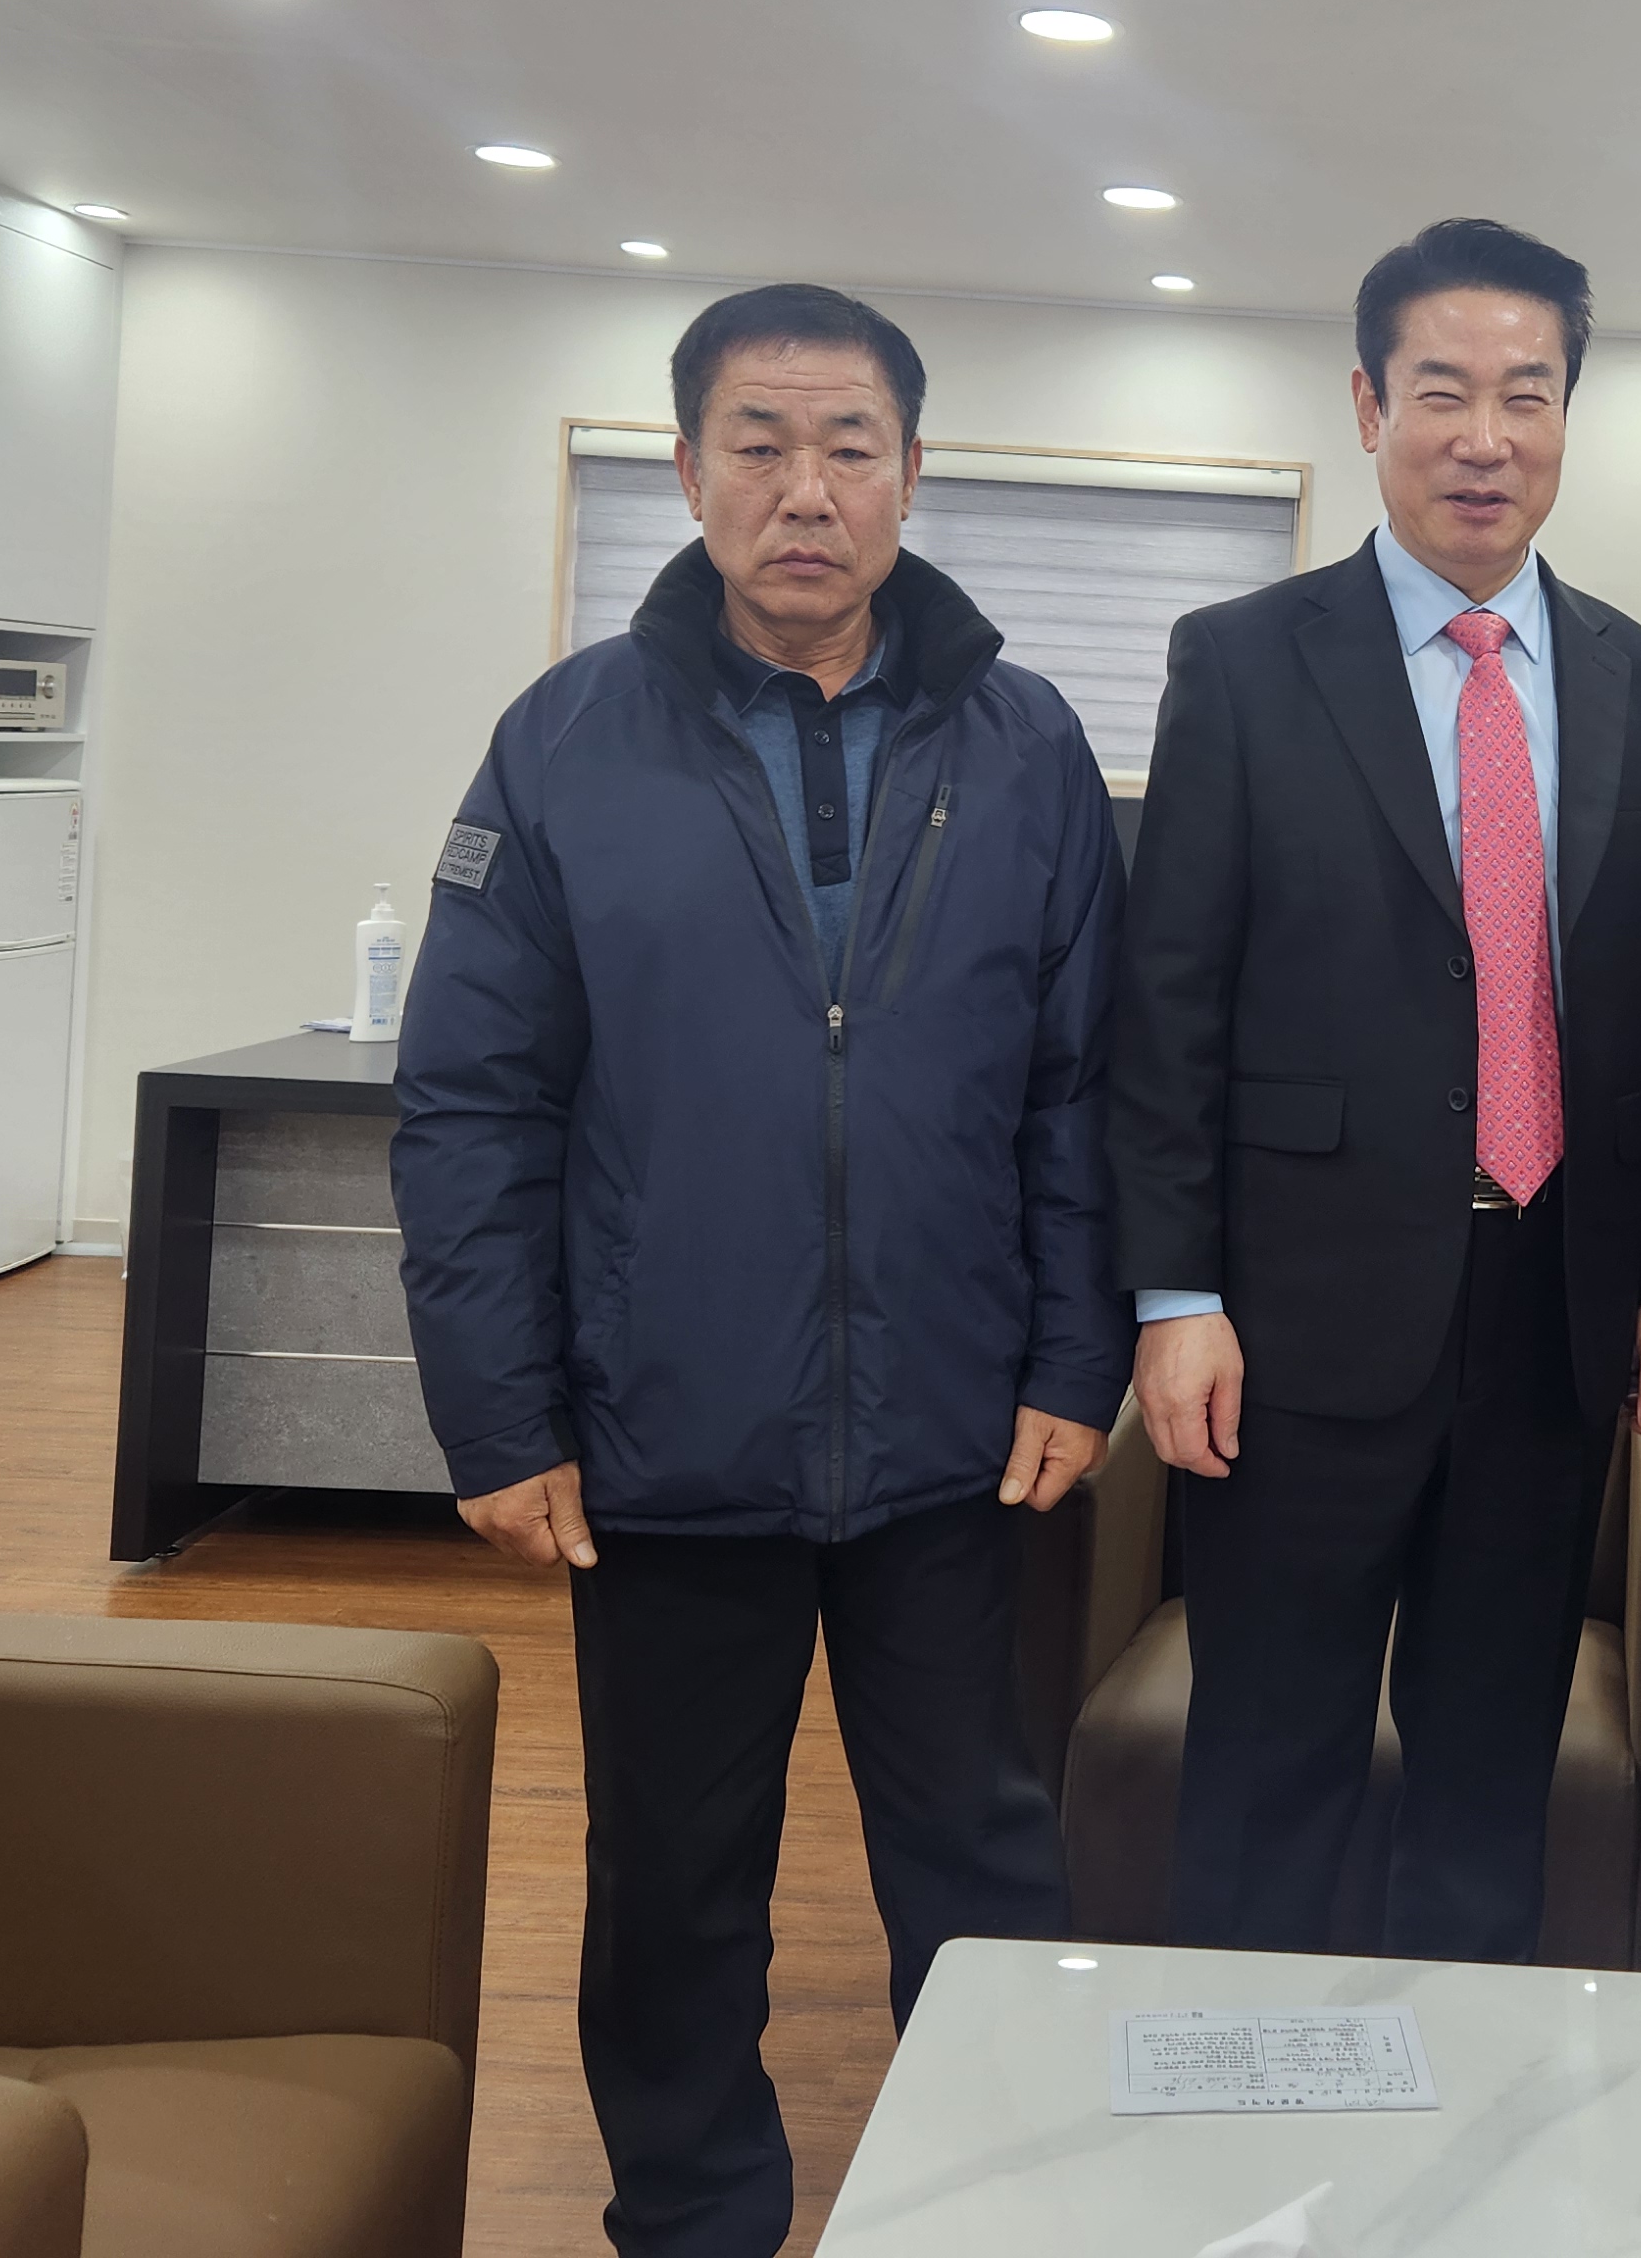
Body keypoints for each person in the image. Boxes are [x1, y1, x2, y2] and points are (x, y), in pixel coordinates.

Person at [391, 282, 1129, 2258]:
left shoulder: (1028, 745)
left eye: (848, 448)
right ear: (689, 467)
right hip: (665, 1427)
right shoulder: (564, 742)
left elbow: (1082, 1091)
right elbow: (470, 1103)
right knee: (674, 1885)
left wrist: (1074, 1361)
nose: (806, 491)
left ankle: (1005, 2214)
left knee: (984, 1866)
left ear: (911, 472)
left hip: (955, 1434)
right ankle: (694, 2217)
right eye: (759, 444)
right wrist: (499, 1414)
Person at [1108, 216, 1641, 1962]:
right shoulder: (1244, 658)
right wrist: (1174, 1293)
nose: (1485, 437)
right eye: (1442, 391)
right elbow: (1169, 1000)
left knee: (1488, 1780)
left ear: (1568, 416)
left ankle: (1454, 2101)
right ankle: (1242, 2092)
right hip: (1296, 1323)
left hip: (1548, 1314)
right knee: (1269, 1768)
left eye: (1528, 394)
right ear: (1371, 405)